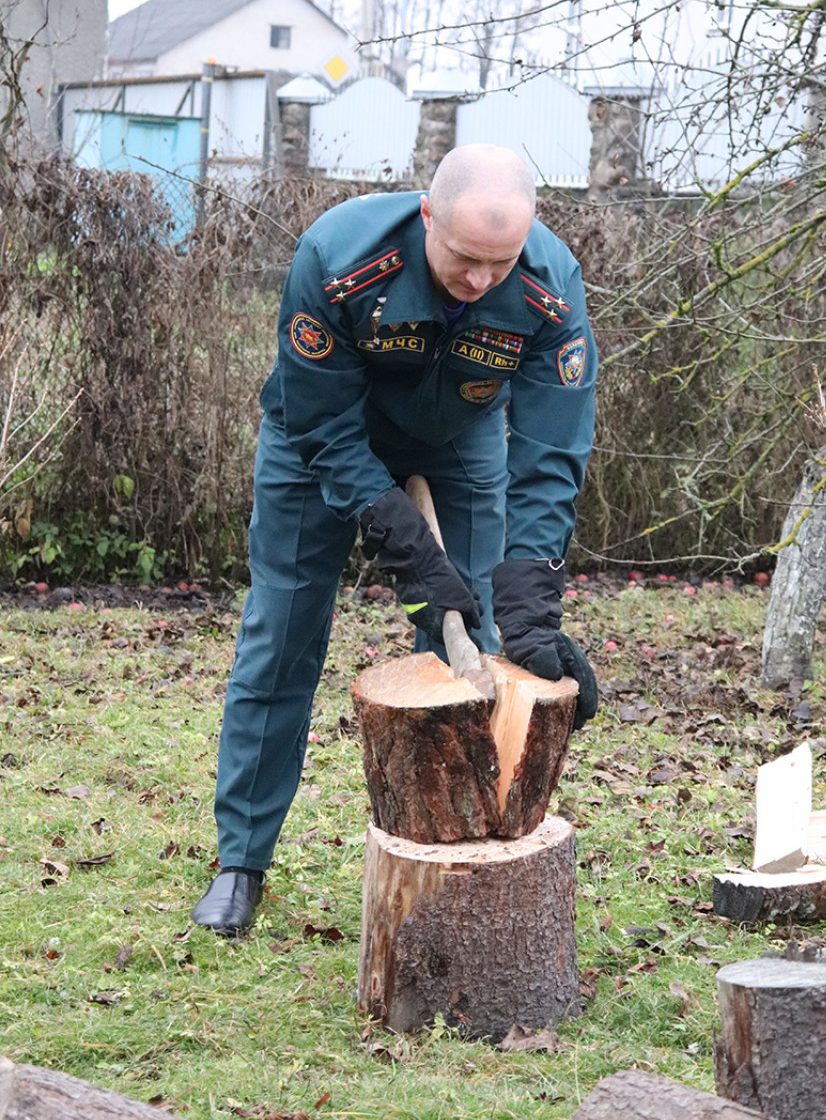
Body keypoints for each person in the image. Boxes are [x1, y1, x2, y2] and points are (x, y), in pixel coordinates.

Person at [191, 143, 599, 936]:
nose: (483, 280)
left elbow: (550, 455)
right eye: (465, 258)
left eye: (501, 262)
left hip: (458, 441)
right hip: (322, 443)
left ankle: (452, 866)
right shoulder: (338, 257)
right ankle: (241, 861)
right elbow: (322, 425)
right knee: (282, 633)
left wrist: (535, 602)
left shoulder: (551, 290)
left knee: (472, 636)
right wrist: (407, 550)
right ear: (426, 216)